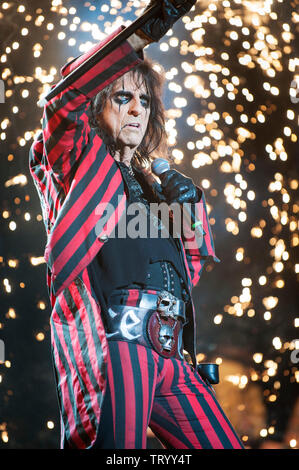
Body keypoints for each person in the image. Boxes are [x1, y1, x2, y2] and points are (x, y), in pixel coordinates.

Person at [29, 0, 244, 449]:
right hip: (118, 342)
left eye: (144, 100)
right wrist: (138, 38)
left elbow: (189, 273)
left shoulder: (156, 185)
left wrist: (191, 211)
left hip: (172, 351)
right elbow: (61, 103)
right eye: (122, 96)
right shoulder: (75, 161)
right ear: (97, 106)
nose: (135, 110)